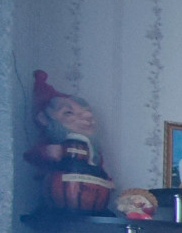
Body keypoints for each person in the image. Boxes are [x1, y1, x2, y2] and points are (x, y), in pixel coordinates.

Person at [25, 70, 115, 210]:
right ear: (44, 119)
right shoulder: (55, 143)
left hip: (91, 196)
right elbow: (31, 155)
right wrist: (47, 152)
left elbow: (98, 166)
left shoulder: (92, 149)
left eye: (86, 112)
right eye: (69, 113)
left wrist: (107, 181)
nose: (86, 118)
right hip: (59, 195)